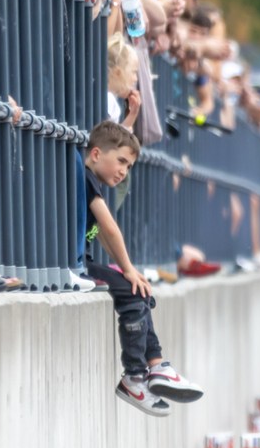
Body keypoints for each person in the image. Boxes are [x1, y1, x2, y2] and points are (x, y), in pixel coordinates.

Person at [79, 120, 203, 416]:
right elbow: (109, 229)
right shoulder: (87, 179)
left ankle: (157, 366)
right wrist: (129, 269)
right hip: (76, 265)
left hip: (83, 262)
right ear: (96, 154)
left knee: (139, 291)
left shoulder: (90, 175)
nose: (124, 171)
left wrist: (127, 271)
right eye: (121, 161)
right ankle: (134, 376)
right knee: (133, 291)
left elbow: (106, 240)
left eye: (129, 166)